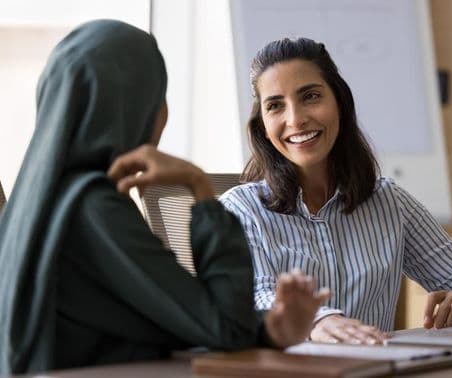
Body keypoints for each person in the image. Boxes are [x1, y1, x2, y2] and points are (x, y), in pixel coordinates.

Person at [0, 21, 328, 375]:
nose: (164, 111)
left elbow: (173, 320)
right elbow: (224, 326)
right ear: (133, 104)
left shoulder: (38, 207)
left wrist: (269, 328)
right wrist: (198, 185)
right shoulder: (94, 208)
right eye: (159, 95)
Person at [220, 37, 452, 345]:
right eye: (275, 106)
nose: (295, 119)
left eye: (311, 97)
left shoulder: (390, 202)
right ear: (263, 124)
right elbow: (257, 294)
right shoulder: (240, 209)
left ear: (340, 104)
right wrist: (318, 320)